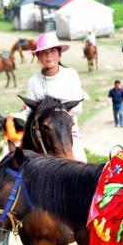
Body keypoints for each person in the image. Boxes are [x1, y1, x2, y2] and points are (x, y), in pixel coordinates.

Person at [19, 31, 87, 161]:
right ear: (38, 56)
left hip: (67, 133)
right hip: (42, 136)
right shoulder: (33, 82)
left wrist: (53, 111)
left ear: (59, 54)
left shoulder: (71, 75)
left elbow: (78, 108)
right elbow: (29, 113)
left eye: (52, 51)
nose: (48, 56)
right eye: (44, 52)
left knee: (80, 164)